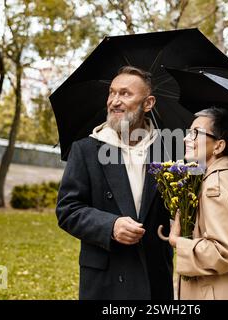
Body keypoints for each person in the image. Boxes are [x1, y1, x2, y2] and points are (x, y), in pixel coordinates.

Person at [56, 66, 174, 300]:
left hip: (154, 275)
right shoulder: (86, 149)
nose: (114, 101)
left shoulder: (168, 149)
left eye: (125, 94)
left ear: (148, 103)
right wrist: (110, 226)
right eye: (112, 93)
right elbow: (67, 210)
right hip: (106, 278)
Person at [168, 107, 228, 300]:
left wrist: (178, 241)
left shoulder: (215, 187)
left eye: (196, 134)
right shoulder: (223, 177)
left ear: (219, 146)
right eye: (188, 133)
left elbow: (225, 251)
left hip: (214, 293)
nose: (186, 139)